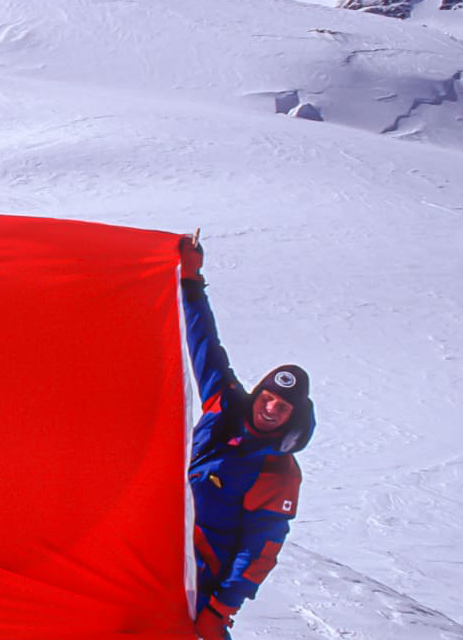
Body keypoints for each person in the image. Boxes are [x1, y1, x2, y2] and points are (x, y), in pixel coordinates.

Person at [179, 236, 315, 639]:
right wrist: (191, 279)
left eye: (283, 407)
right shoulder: (224, 405)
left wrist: (220, 610)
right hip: (155, 554)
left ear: (293, 416)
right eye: (269, 397)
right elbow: (204, 342)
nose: (271, 408)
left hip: (199, 584)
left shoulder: (279, 471)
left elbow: (259, 550)